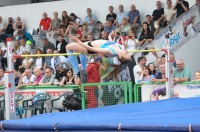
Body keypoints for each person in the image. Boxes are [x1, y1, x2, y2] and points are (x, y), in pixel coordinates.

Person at [66, 35, 132, 75]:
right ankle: (83, 70)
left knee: (68, 47)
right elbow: (111, 44)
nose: (127, 52)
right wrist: (110, 37)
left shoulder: (110, 52)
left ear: (120, 56)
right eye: (127, 53)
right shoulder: (121, 47)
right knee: (80, 52)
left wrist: (78, 41)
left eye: (126, 54)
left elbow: (92, 49)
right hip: (89, 43)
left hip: (88, 47)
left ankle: (77, 71)